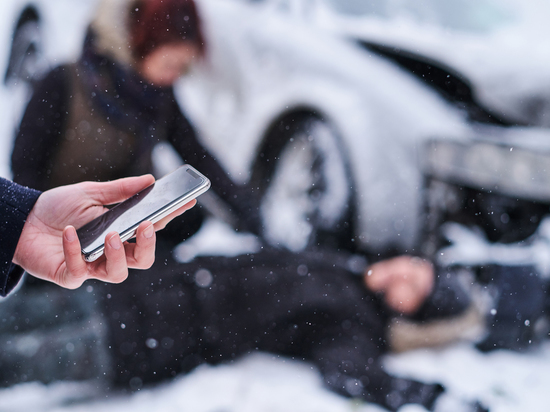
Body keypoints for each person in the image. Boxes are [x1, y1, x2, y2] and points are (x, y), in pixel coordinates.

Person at [7, 0, 480, 410]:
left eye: (412, 289)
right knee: (26, 316)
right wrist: (36, 231)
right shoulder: (64, 83)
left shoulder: (352, 318)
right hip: (73, 239)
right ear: (141, 42)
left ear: (406, 310)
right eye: (170, 62)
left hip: (134, 300)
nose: (174, 76)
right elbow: (24, 166)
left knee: (23, 354)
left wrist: (252, 217)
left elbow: (200, 159)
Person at [1, 175, 195, 294]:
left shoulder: (160, 111)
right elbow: (28, 159)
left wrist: (22, 222)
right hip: (59, 243)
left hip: (74, 244)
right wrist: (25, 219)